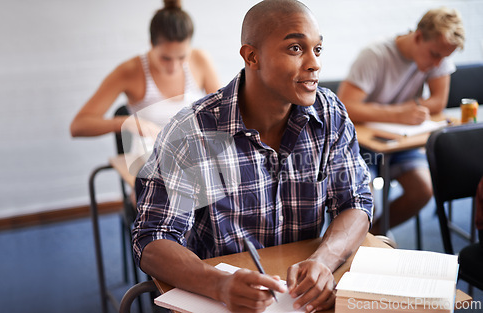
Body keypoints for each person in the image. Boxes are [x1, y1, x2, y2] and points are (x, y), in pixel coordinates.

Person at [132, 0, 373, 312]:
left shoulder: (329, 113)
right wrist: (217, 283)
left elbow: (355, 201)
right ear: (252, 56)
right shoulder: (191, 131)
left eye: (318, 49)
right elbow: (152, 238)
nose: (315, 64)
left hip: (301, 299)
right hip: (223, 299)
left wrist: (323, 261)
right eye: (296, 49)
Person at [337, 7, 465, 234]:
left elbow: (438, 102)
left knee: (424, 190)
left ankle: (372, 235)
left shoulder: (439, 53)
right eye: (435, 55)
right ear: (417, 37)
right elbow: (345, 106)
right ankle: (362, 236)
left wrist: (410, 112)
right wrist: (398, 114)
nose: (438, 64)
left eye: (444, 58)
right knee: (365, 200)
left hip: (400, 141)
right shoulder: (375, 55)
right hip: (362, 144)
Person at [70, 0, 221, 157]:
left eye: (182, 57)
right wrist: (126, 122)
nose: (174, 67)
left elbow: (223, 115)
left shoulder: (200, 60)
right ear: (151, 44)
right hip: (150, 163)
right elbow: (78, 126)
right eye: (166, 58)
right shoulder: (129, 71)